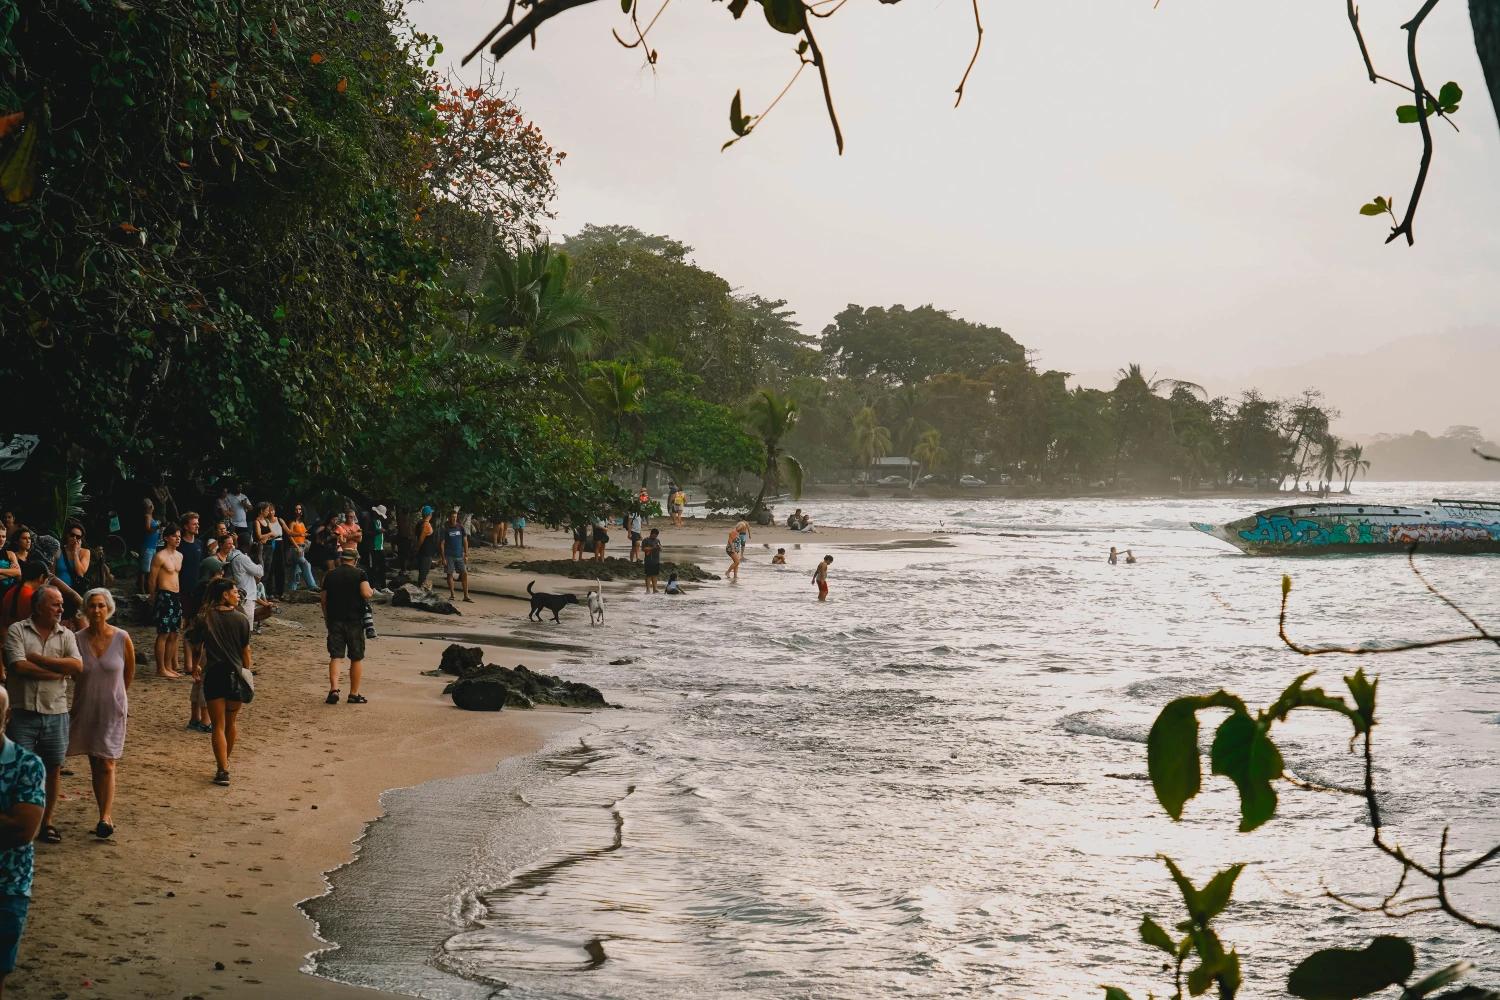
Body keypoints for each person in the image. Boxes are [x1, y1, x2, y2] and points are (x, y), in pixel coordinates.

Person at [3, 585, 82, 844]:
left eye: (61, 604)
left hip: (56, 710)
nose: (61, 609)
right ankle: (20, 822)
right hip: (22, 711)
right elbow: (19, 666)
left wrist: (39, 659)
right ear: (38, 607)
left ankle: (47, 822)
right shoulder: (17, 630)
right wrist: (57, 673)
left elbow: (77, 665)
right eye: (55, 604)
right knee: (18, 769)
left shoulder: (66, 634)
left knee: (53, 767)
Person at [67, 588, 133, 839]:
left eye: (101, 605)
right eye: (92, 605)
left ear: (109, 609)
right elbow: (74, 673)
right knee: (95, 761)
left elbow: (128, 672)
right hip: (86, 706)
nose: (96, 610)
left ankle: (106, 816)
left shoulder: (122, 637)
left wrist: (118, 697)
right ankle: (103, 813)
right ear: (85, 609)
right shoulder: (76, 639)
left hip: (112, 708)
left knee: (107, 761)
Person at [0, 684, 45, 994]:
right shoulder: (25, 766)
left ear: (7, 716)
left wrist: (12, 824)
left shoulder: (27, 764)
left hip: (8, 885)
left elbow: (22, 831)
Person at [188, 578, 251, 785]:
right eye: (235, 592)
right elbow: (245, 651)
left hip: (214, 674)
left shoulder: (204, 618)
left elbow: (197, 647)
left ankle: (222, 769)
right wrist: (246, 672)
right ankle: (224, 763)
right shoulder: (241, 619)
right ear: (225, 595)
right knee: (231, 723)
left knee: (218, 725)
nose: (237, 596)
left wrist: (195, 666)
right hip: (235, 675)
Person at [322, 549, 373, 705]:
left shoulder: (330, 574)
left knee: (336, 656)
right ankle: (353, 694)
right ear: (355, 560)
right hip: (354, 621)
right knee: (356, 657)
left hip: (335, 620)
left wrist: (327, 618)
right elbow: (366, 593)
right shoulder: (360, 574)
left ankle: (334, 689)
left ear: (342, 559)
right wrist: (370, 591)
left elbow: (323, 599)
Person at [147, 522, 185, 678]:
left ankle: (168, 667)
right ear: (167, 538)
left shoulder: (180, 556)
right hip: (164, 595)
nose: (178, 539)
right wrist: (153, 597)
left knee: (175, 633)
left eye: (179, 536)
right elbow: (151, 580)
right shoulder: (160, 556)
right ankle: (160, 668)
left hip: (176, 595)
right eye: (175, 536)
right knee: (164, 633)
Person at [218, 532, 263, 635]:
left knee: (236, 628)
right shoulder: (243, 558)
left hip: (237, 593)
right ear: (247, 544)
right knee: (246, 630)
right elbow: (260, 572)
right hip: (246, 596)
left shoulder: (232, 554)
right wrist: (259, 553)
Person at [0, 563, 45, 636]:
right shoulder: (33, 597)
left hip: (9, 637)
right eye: (46, 581)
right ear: (41, 577)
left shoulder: (9, 592)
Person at [285, 504, 317, 594]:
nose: (298, 511)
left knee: (296, 571)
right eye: (296, 509)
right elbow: (290, 535)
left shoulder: (302, 522)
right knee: (306, 564)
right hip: (296, 547)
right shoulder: (292, 522)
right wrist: (297, 547)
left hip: (302, 546)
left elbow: (303, 534)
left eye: (299, 509)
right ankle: (312, 586)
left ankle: (291, 589)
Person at [178, 513, 205, 619]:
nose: (197, 526)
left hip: (196, 589)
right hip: (181, 589)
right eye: (194, 524)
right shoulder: (179, 545)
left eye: (198, 523)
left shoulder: (199, 544)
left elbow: (201, 566)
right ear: (186, 526)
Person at [52, 524, 90, 599]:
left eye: (78, 537)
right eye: (72, 535)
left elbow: (80, 573)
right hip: (59, 590)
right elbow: (52, 573)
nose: (74, 538)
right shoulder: (58, 551)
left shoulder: (85, 552)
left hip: (76, 591)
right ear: (67, 535)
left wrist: (75, 553)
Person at [442, 510, 471, 603]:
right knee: (449, 574)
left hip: (460, 555)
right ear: (448, 518)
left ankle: (466, 595)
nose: (454, 519)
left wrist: (466, 554)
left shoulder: (460, 527)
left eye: (455, 517)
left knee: (464, 574)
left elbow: (465, 541)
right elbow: (442, 543)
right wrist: (443, 557)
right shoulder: (445, 528)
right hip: (449, 554)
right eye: (452, 517)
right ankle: (452, 594)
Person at [137, 498, 160, 595]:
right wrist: (157, 527)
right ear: (151, 507)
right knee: (144, 570)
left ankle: (147, 587)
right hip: (148, 547)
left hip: (152, 547)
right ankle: (142, 589)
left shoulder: (151, 517)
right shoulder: (147, 517)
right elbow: (147, 530)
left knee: (149, 569)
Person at [222, 482, 252, 550]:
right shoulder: (228, 496)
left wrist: (245, 505)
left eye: (241, 487)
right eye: (238, 487)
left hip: (243, 524)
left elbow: (251, 508)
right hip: (233, 524)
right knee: (233, 542)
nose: (240, 489)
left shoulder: (244, 497)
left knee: (243, 543)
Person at [414, 507, 437, 587]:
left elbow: (415, 536)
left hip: (424, 551)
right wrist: (416, 548)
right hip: (426, 551)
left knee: (423, 571)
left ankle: (420, 586)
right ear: (429, 514)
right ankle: (420, 587)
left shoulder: (419, 523)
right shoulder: (426, 524)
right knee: (424, 572)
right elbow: (421, 538)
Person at [369, 505, 388, 591]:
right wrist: (378, 532)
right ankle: (372, 587)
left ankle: (384, 586)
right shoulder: (371, 521)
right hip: (374, 548)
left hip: (380, 547)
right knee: (372, 568)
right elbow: (367, 533)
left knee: (382, 567)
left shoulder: (379, 522)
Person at [642, 528, 662, 593]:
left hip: (656, 560)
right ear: (651, 534)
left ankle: (655, 588)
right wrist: (652, 548)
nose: (655, 537)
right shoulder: (646, 540)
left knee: (655, 575)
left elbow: (661, 549)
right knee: (649, 575)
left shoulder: (657, 540)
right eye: (654, 536)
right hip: (649, 560)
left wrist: (659, 547)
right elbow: (643, 549)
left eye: (656, 536)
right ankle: (648, 589)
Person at [0, 528, 17, 596]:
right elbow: (14, 573)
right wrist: (10, 572)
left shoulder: (10, 554)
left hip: (8, 592)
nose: (1, 539)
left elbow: (18, 572)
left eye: (3, 536)